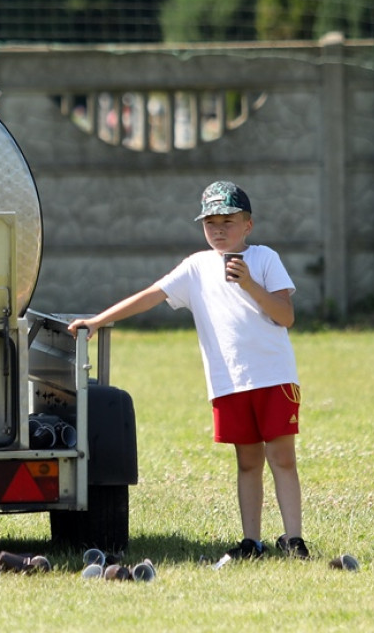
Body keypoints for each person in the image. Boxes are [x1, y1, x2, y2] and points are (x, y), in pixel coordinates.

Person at [67, 181, 309, 561]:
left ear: (248, 224)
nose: (218, 229)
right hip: (229, 382)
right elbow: (151, 295)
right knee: (247, 462)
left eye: (228, 220)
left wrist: (249, 284)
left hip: (273, 377)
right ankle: (252, 542)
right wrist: (98, 321)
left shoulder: (264, 259)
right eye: (210, 222)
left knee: (282, 458)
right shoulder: (196, 267)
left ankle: (294, 540)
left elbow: (285, 316)